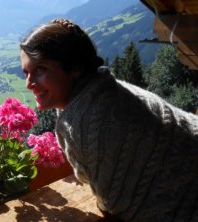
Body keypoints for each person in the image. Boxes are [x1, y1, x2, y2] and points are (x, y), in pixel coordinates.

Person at [20, 18, 198, 222]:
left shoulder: (91, 120)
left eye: (40, 69)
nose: (29, 84)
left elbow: (112, 201)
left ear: (75, 67)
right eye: (26, 72)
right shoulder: (105, 89)